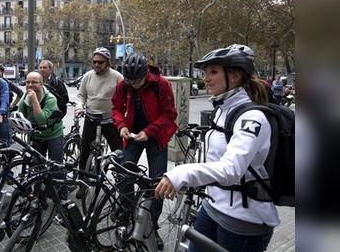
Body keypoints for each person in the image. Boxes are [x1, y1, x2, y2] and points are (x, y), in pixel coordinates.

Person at [155, 44, 279, 252]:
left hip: (243, 218)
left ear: (235, 76)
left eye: (213, 72)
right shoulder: (222, 109)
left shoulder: (252, 118)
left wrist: (182, 173)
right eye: (205, 72)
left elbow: (231, 170)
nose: (206, 78)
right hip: (213, 205)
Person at [111, 53, 178, 250]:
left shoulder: (161, 84)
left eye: (138, 81)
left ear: (145, 73)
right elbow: (115, 107)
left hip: (155, 137)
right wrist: (121, 125)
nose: (134, 85)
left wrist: (148, 132)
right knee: (124, 175)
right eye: (130, 81)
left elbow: (170, 114)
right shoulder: (124, 85)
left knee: (157, 183)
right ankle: (127, 214)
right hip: (132, 135)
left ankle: (151, 227)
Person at [74, 47, 123, 198]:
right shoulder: (88, 76)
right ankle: (82, 184)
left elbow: (125, 97)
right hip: (90, 118)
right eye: (94, 62)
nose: (96, 65)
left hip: (109, 120)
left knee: (118, 153)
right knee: (85, 152)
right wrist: (79, 107)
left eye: (100, 62)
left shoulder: (117, 77)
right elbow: (81, 95)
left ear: (107, 62)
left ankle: (122, 184)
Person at [16, 71, 67, 200]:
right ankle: (39, 196)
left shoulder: (50, 98)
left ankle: (63, 199)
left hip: (53, 135)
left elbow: (41, 120)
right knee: (37, 168)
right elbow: (20, 114)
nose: (30, 85)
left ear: (41, 83)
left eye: (34, 82)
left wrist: (34, 101)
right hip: (37, 135)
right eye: (27, 82)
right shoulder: (25, 97)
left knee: (57, 167)